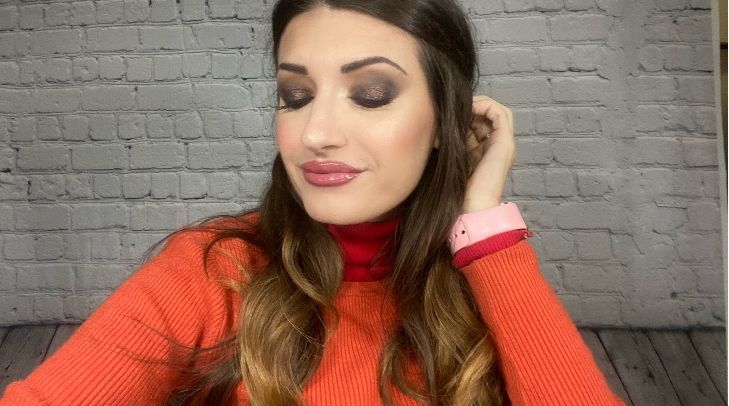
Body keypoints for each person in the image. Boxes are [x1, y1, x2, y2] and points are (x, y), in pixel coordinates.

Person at [0, 0, 627, 405]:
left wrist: (485, 227)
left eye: (372, 93)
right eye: (295, 96)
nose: (315, 133)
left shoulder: (490, 279)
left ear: (445, 119)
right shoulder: (212, 269)